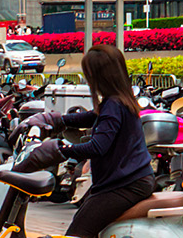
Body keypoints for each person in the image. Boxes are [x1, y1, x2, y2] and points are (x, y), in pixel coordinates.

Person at [61, 43, 156, 238]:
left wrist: (62, 149)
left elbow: (98, 147)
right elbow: (92, 116)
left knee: (77, 233)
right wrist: (58, 120)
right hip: (134, 179)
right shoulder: (120, 99)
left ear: (98, 77)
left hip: (125, 184)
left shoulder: (113, 104)